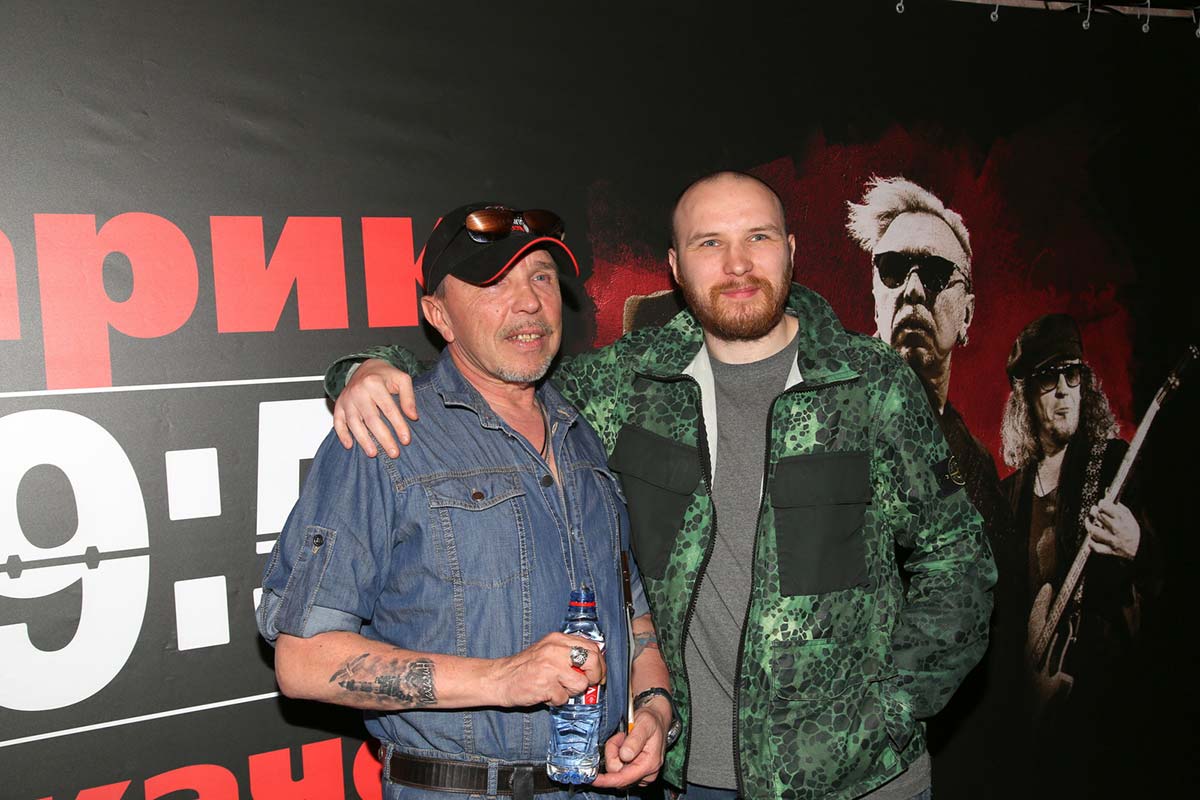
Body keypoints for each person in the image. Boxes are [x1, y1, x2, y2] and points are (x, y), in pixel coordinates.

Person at [326, 172, 996, 800]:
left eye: (758, 237)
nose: (737, 264)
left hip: (864, 780)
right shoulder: (627, 383)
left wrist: (894, 709)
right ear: (675, 267)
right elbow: (488, 377)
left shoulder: (870, 383)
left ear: (791, 251)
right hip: (690, 776)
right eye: (710, 243)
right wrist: (368, 370)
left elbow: (959, 558)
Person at [257, 202, 673, 800]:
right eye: (493, 283)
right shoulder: (385, 435)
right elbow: (302, 662)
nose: (528, 302)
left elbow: (631, 614)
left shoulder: (582, 432)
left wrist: (652, 708)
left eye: (541, 276)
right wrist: (502, 678)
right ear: (439, 315)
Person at [847, 177, 1020, 794]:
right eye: (894, 269)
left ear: (966, 313)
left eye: (937, 273)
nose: (913, 289)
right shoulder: (812, 418)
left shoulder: (980, 477)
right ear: (875, 294)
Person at [998, 313, 1157, 792]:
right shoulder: (1010, 495)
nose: (1065, 390)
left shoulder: (1112, 466)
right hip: (1030, 720)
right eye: (1049, 379)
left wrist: (1139, 546)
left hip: (1103, 715)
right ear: (1026, 396)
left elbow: (1177, 568)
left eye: (1073, 375)